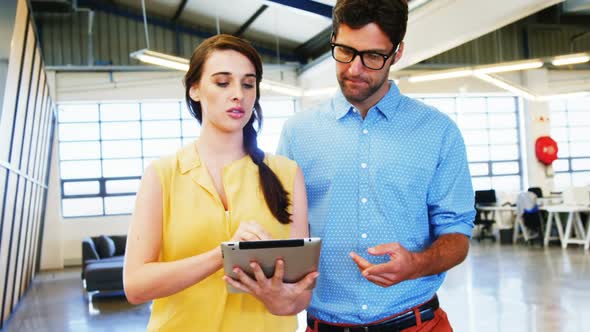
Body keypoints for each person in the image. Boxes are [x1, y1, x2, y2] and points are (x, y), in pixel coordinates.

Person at [277, 0, 476, 331]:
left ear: (397, 53)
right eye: (344, 51)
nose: (354, 69)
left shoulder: (438, 132)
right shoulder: (297, 134)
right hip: (323, 324)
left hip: (417, 323)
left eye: (372, 56)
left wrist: (416, 264)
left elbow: (457, 235)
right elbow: (282, 228)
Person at [123, 34, 317, 332]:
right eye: (223, 83)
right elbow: (135, 286)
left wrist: (277, 296)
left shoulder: (286, 173)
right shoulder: (162, 175)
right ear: (195, 90)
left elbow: (297, 300)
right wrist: (223, 255)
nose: (238, 93)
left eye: (248, 84)